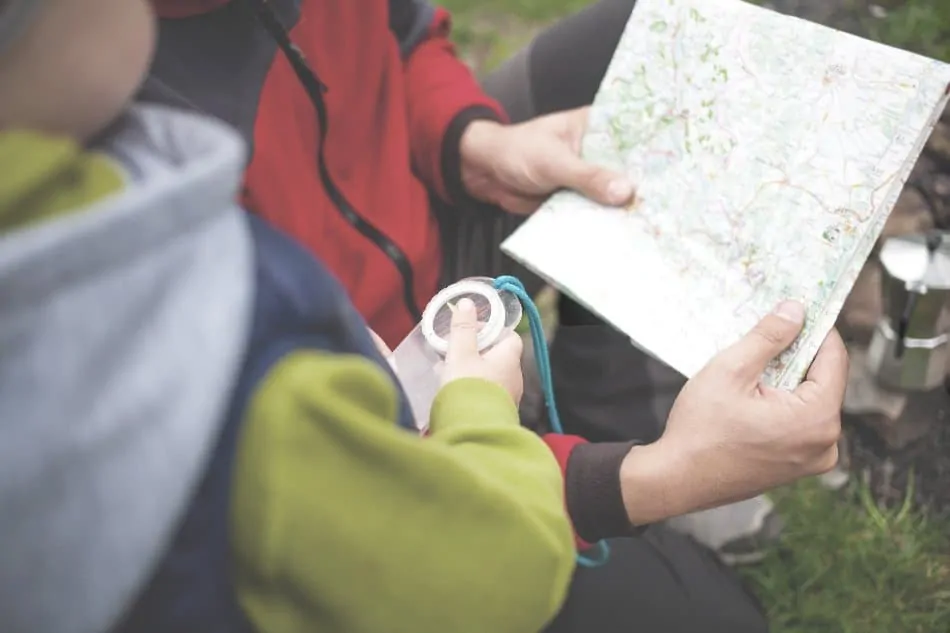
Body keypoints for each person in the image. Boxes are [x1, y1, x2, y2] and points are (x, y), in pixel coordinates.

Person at [140, 1, 849, 632]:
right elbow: (422, 541)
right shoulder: (135, 207)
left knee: (657, 41)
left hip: (439, 256)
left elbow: (407, 37)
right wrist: (658, 476)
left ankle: (613, 411)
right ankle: (622, 452)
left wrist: (472, 143)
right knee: (717, 619)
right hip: (399, 411)